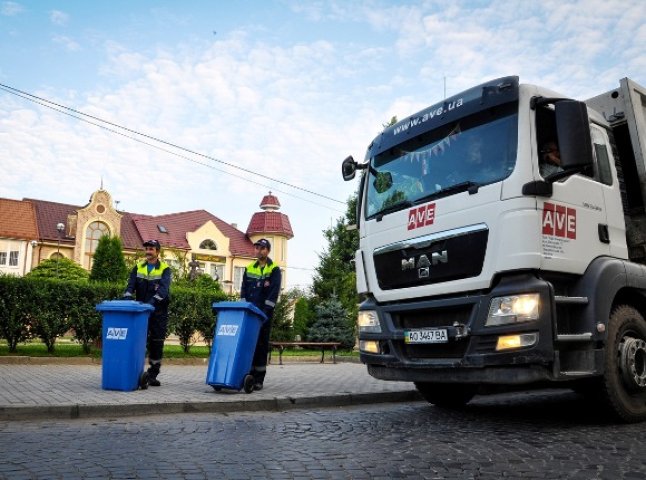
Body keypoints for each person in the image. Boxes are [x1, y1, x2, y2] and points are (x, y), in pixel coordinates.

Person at [122, 239, 171, 387]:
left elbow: (163, 289)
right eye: (147, 249)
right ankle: (135, 371)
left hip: (158, 312)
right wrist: (128, 295)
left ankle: (152, 374)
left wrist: (152, 303)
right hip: (140, 311)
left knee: (156, 342)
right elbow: (131, 285)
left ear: (157, 252)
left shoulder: (165, 268)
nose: (148, 251)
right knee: (138, 340)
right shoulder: (138, 267)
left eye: (151, 249)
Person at [240, 238, 282, 391]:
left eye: (262, 248)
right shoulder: (249, 268)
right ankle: (248, 375)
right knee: (248, 345)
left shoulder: (274, 269)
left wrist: (265, 314)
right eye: (257, 247)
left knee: (261, 345)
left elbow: (273, 294)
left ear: (268, 251)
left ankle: (258, 379)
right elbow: (243, 290)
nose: (259, 250)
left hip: (264, 315)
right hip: (250, 314)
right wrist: (244, 308)